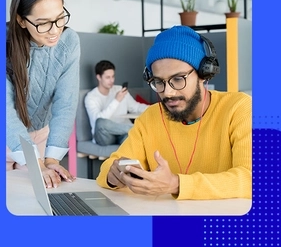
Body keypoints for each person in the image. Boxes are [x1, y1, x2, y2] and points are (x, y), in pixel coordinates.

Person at [96, 25, 252, 200]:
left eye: (178, 79)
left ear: (204, 73)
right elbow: (110, 165)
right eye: (159, 82)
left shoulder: (239, 108)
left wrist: (176, 184)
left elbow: (251, 178)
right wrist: (113, 174)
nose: (168, 93)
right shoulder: (150, 118)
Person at [6, 0, 80, 188]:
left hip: (40, 137)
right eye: (43, 24)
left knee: (39, 198)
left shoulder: (69, 42)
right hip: (3, 134)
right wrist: (35, 163)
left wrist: (51, 159)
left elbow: (66, 103)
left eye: (60, 18)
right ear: (21, 20)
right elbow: (5, 112)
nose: (55, 30)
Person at [84, 60, 149, 146]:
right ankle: (137, 129)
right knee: (100, 122)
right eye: (107, 77)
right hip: (106, 136)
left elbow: (135, 107)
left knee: (130, 138)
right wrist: (116, 100)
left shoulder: (119, 89)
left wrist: (154, 108)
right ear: (99, 77)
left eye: (113, 76)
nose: (111, 80)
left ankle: (134, 130)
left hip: (123, 133)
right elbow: (97, 122)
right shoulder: (91, 97)